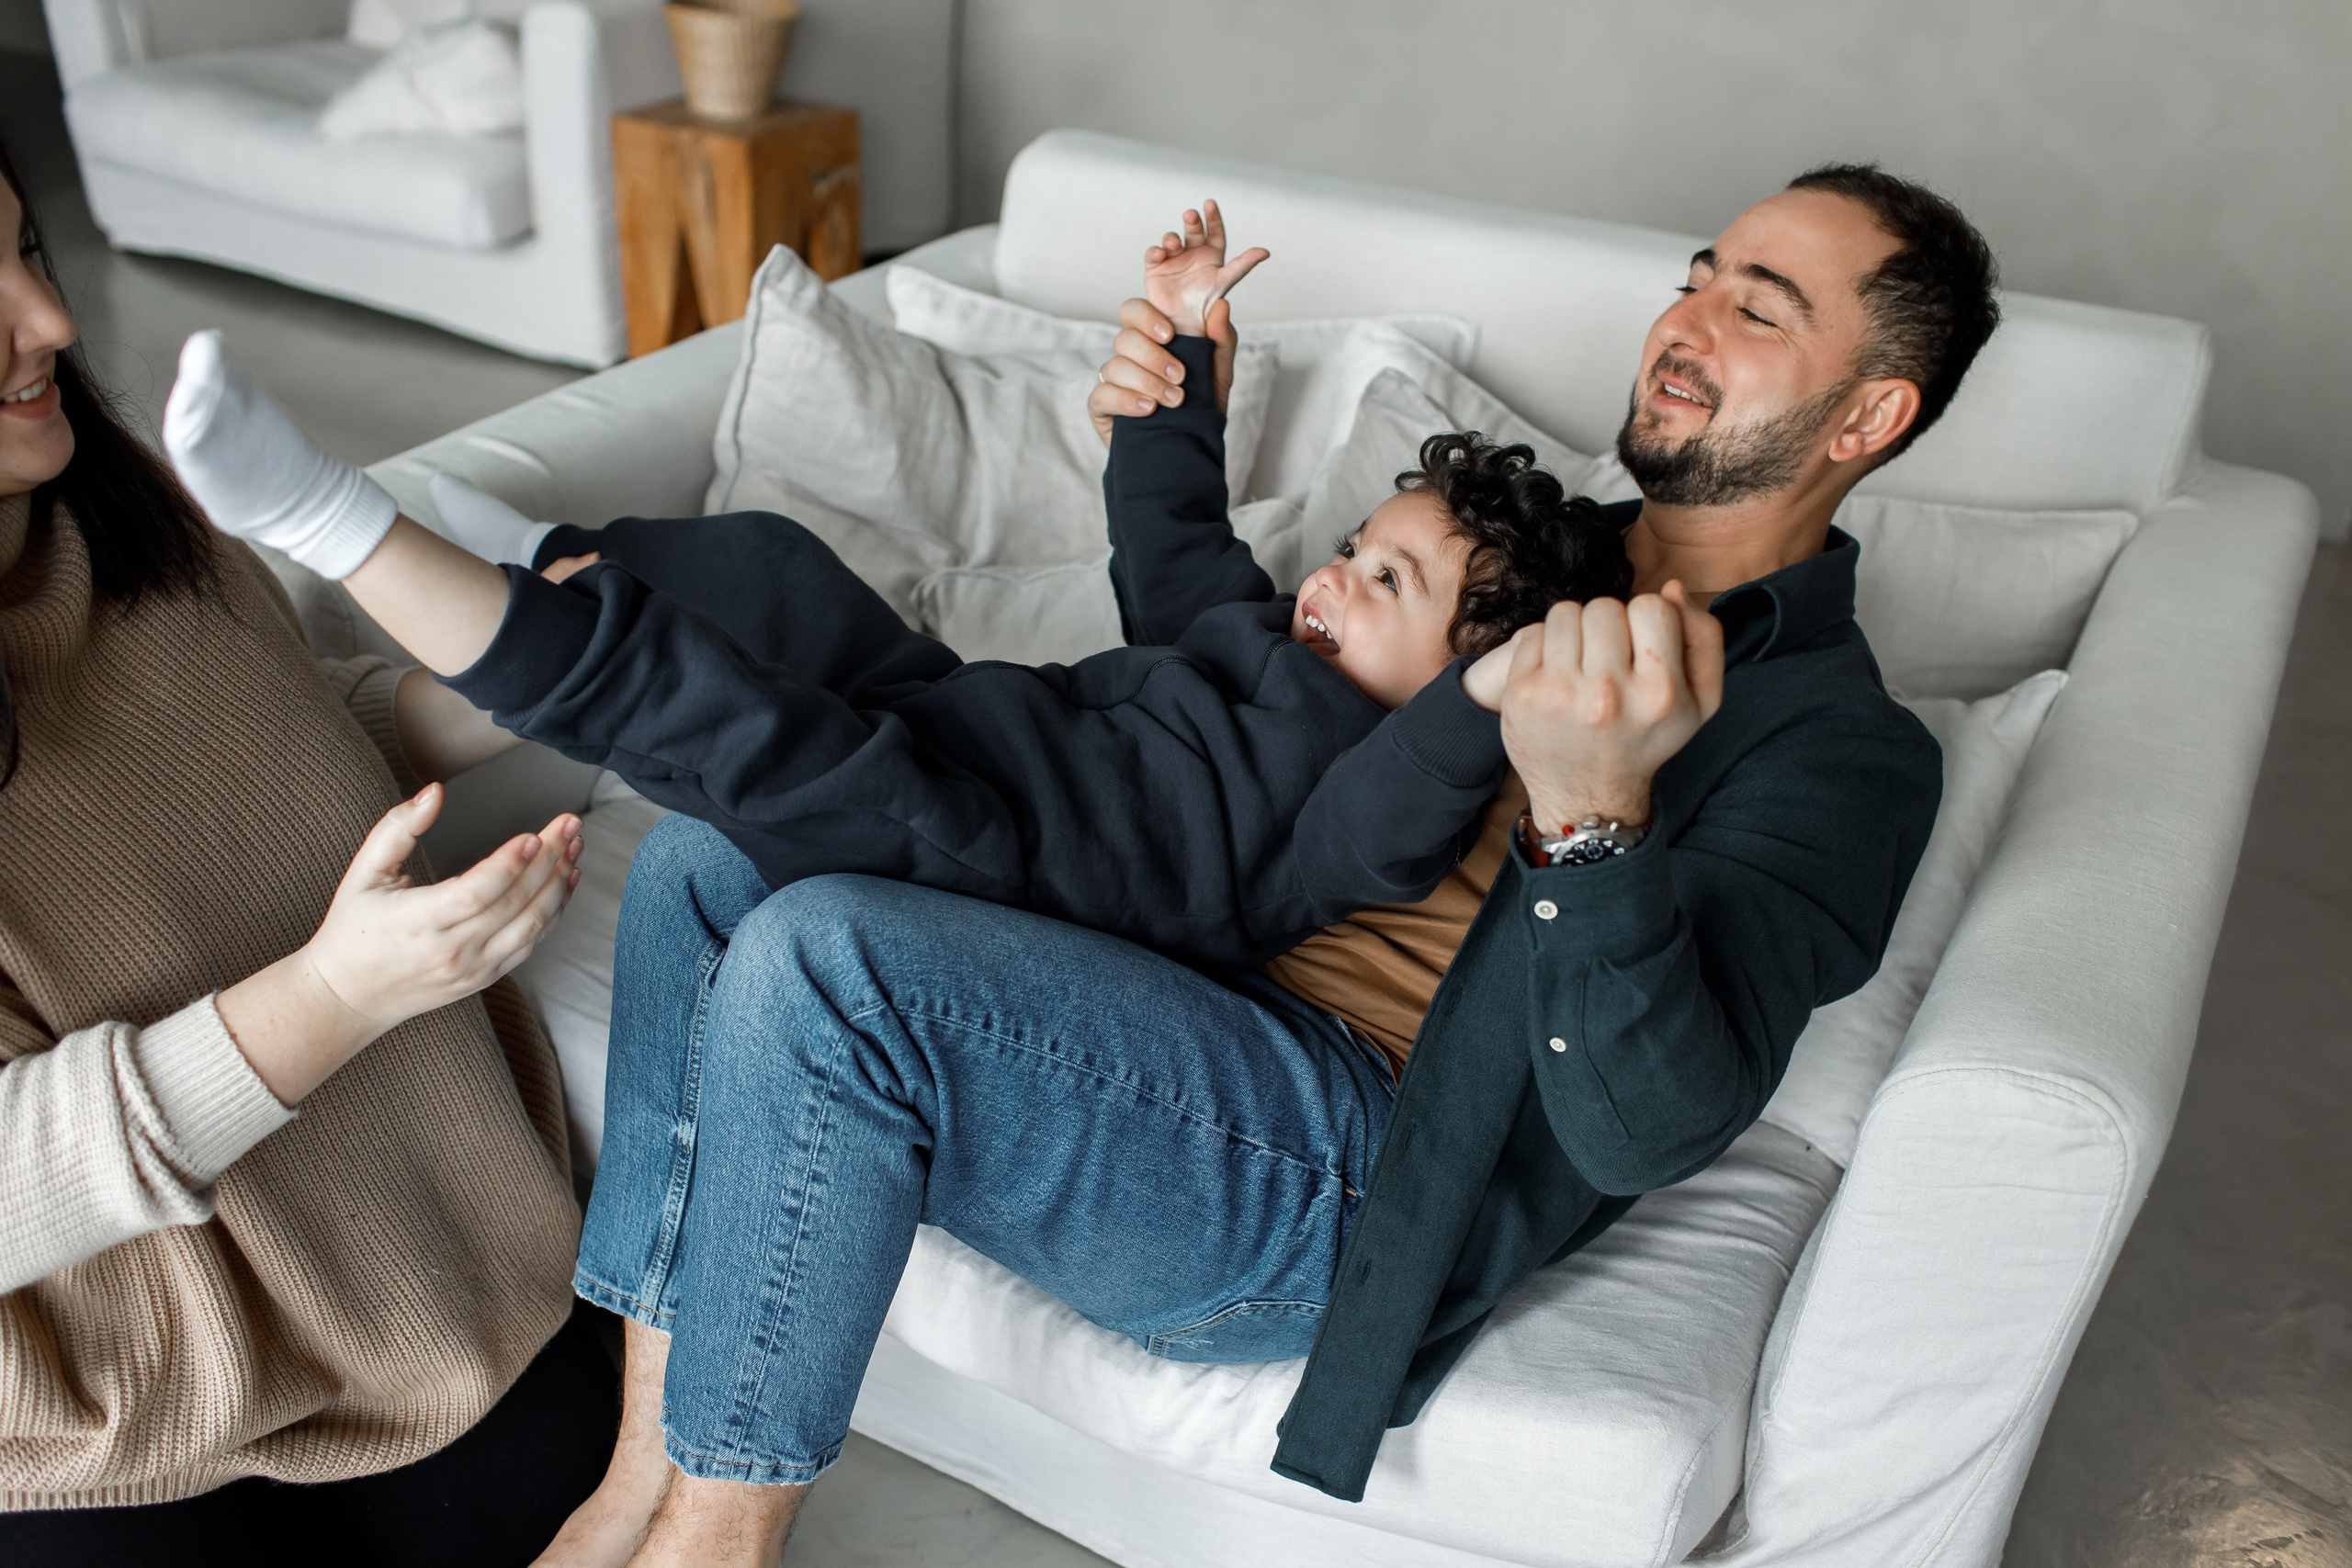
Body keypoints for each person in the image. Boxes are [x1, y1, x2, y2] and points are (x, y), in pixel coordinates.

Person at [296, 164, 1986, 1566]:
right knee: (702, 869)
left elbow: (1651, 1123)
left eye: (1763, 308)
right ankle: (631, 1483)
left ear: (1873, 410)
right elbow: (1226, 695)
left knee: (830, 955)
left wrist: (1594, 820)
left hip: (1333, 1165)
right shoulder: (1516, 553)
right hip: (1162, 995)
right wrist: (1174, 400)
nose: (1688, 321)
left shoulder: (1841, 746)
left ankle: (715, 1545)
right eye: (1699, 279)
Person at [158, 214, 1633, 968]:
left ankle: (328, 519)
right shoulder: (1256, 639)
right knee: (770, 565)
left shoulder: (1360, 797)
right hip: (950, 720)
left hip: (980, 862)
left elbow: (1416, 788)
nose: (1339, 575)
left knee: (714, 707)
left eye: (1387, 581)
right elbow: (1175, 536)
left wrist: (1497, 694)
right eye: (1357, 544)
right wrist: (1186, 352)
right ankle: (541, 553)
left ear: (1458, 674)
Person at [0, 141, 615, 1567]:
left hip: (425, 1286)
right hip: (109, 1414)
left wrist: (505, 690)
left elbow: (258, 741)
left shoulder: (126, 515)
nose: (54, 321)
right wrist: (339, 994)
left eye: (26, 252)